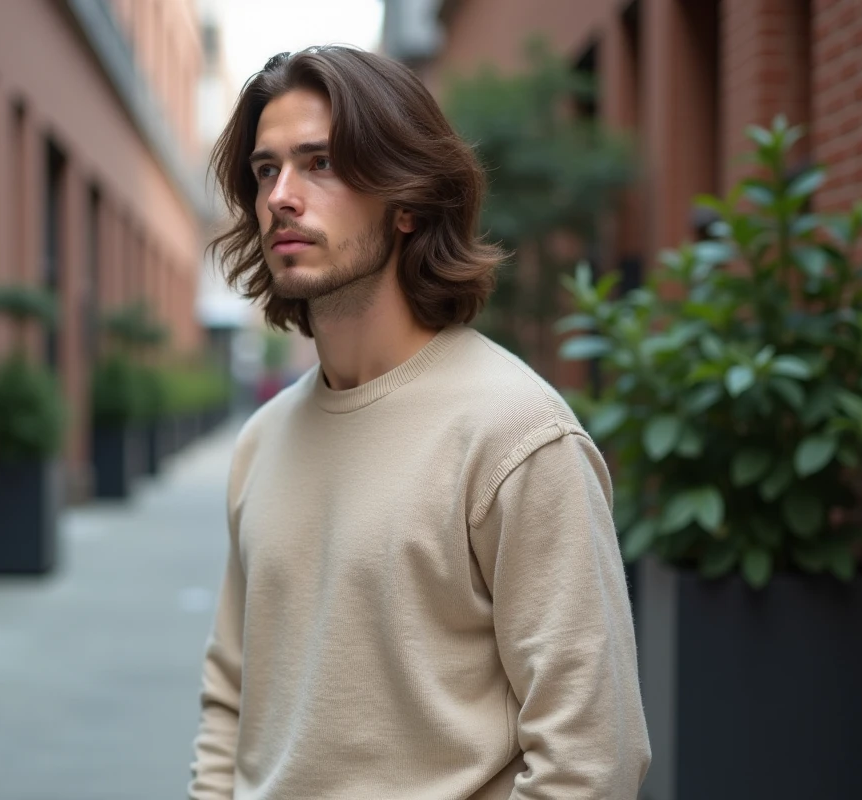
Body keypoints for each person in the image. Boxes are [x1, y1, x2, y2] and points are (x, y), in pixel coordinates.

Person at [188, 46, 650, 800]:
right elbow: (230, 700)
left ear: (407, 202)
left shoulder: (518, 435)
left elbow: (593, 758)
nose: (281, 198)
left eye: (320, 163)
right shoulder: (261, 441)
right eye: (267, 170)